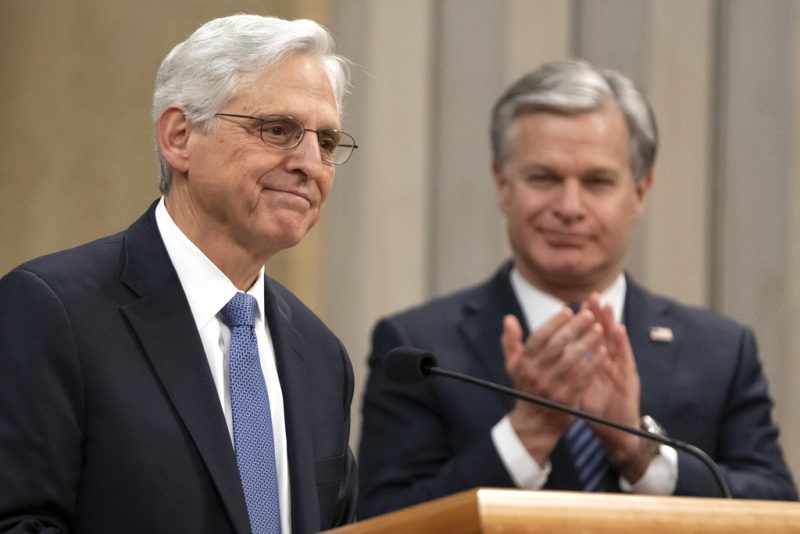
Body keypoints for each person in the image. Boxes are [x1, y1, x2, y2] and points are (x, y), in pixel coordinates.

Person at [357, 58, 797, 518]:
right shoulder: (419, 351)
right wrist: (526, 434)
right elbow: (383, 518)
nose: (569, 207)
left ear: (640, 192)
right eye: (543, 178)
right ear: (502, 184)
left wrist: (636, 448)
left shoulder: (720, 351)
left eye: (597, 181)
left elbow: (775, 509)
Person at [0, 14, 359, 534]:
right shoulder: (53, 312)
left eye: (326, 142)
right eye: (277, 130)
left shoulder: (321, 355)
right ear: (180, 136)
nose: (309, 162)